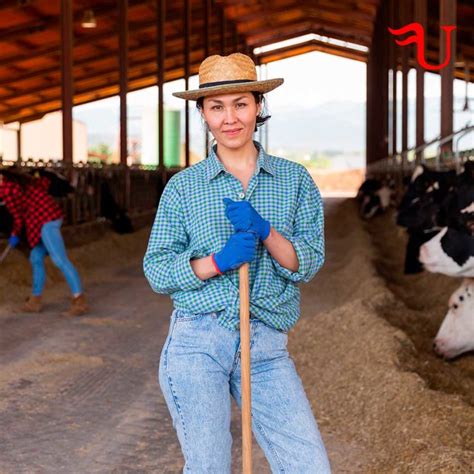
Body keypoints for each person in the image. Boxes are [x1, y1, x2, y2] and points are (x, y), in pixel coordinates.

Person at [143, 53, 330, 473]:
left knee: (309, 466)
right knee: (209, 467)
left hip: (265, 345)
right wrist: (219, 260)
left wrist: (267, 231)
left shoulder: (294, 179)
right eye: (217, 107)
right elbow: (156, 269)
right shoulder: (183, 188)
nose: (230, 118)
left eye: (241, 104)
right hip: (197, 344)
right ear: (204, 114)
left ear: (259, 107)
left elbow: (309, 263)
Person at [0, 169, 88, 316]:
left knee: (60, 260)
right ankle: (35, 300)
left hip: (46, 220)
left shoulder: (6, 188)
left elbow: (17, 216)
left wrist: (15, 234)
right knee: (35, 257)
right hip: (44, 218)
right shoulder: (19, 182)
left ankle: (79, 300)